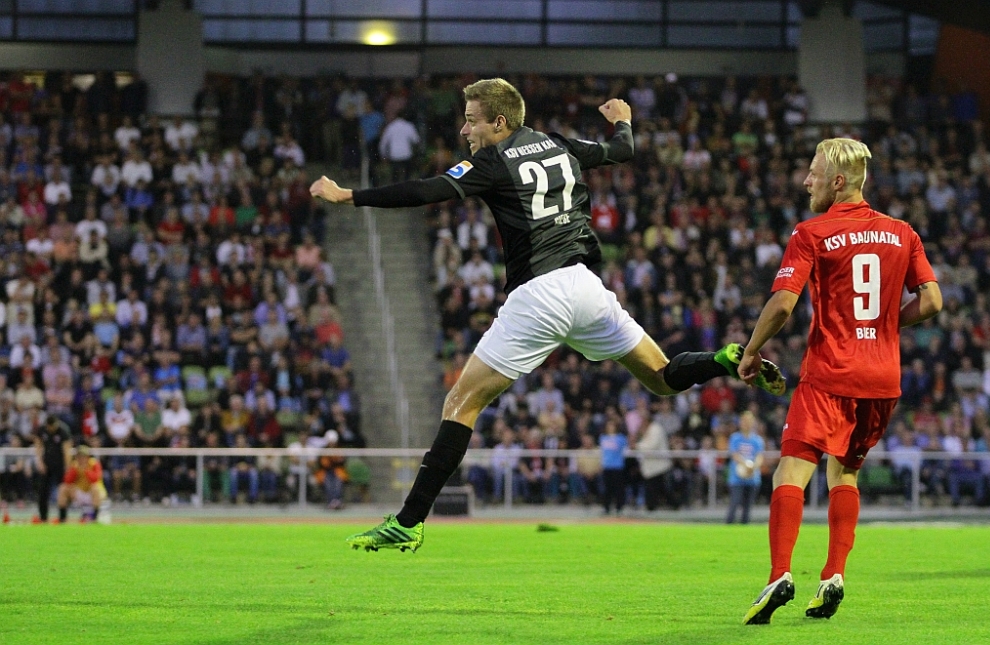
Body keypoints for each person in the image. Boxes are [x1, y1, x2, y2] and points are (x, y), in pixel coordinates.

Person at [312, 78, 785, 553]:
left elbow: (425, 190)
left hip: (539, 294)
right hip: (586, 287)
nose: (464, 131)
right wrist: (623, 121)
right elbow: (622, 150)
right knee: (662, 377)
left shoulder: (493, 160)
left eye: (472, 121)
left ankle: (408, 521)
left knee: (461, 404)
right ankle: (723, 359)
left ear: (499, 122)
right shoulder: (558, 144)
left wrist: (350, 196)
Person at [738, 138, 941, 625]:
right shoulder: (903, 233)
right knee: (845, 473)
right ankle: (833, 575)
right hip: (882, 377)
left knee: (790, 471)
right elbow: (933, 300)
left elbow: (783, 304)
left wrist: (751, 350)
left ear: (837, 181)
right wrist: (886, 323)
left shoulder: (812, 232)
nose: (805, 181)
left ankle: (779, 574)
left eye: (813, 172)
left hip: (830, 370)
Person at [726, 411, 764, 525]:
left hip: (752, 478)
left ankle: (744, 526)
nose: (746, 424)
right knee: (734, 503)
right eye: (744, 421)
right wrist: (746, 464)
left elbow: (759, 456)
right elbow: (734, 455)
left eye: (749, 421)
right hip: (737, 478)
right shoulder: (735, 438)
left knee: (747, 508)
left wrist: (753, 466)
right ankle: (728, 525)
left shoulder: (757, 440)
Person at [32, 414, 72, 523]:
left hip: (60, 465)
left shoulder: (63, 431)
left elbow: (67, 451)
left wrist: (67, 467)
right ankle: (43, 517)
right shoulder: (42, 430)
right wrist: (39, 462)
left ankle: (62, 518)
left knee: (62, 491)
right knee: (43, 491)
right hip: (46, 464)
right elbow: (38, 445)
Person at [56, 444, 107, 522]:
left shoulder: (94, 464)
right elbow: (67, 480)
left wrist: (86, 470)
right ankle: (62, 518)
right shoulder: (75, 465)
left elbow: (95, 479)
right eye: (79, 456)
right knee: (62, 488)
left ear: (87, 457)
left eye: (83, 456)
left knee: (95, 488)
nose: (81, 459)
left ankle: (94, 518)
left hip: (92, 493)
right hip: (79, 493)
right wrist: (75, 470)